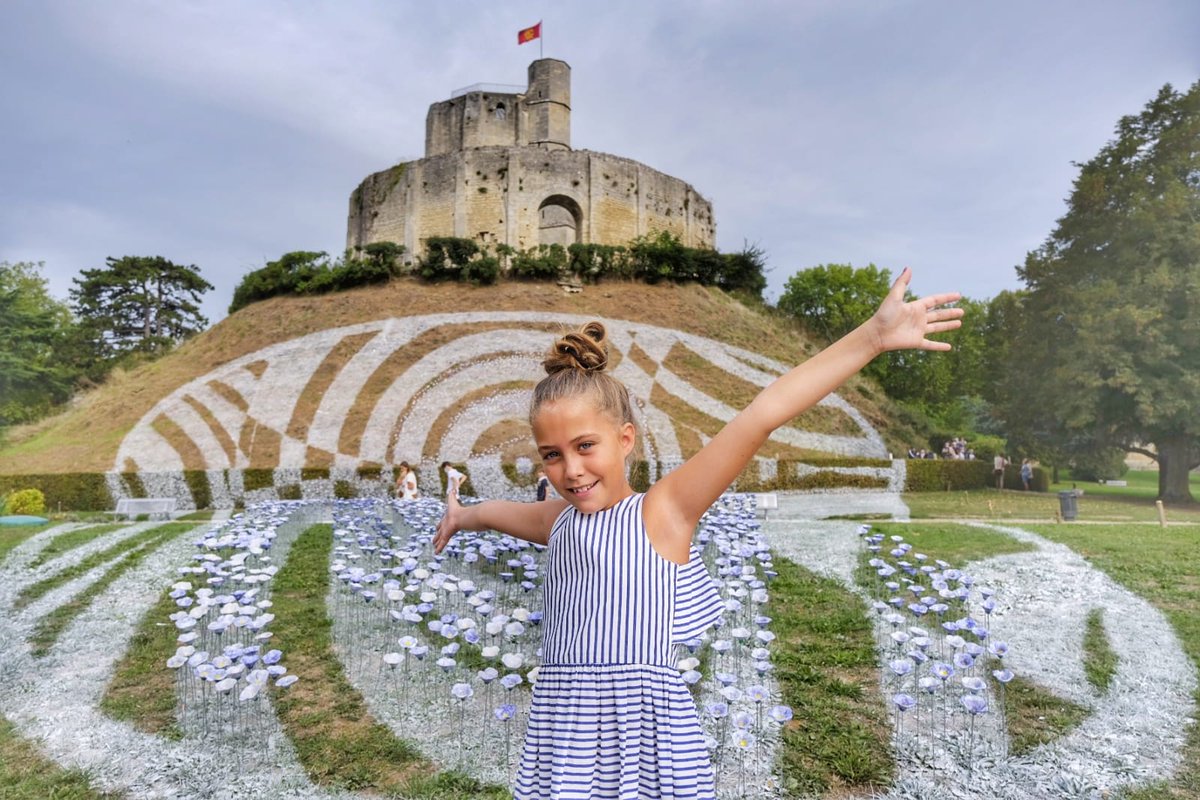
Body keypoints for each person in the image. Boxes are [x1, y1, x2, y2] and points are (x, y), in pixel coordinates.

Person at [433, 268, 961, 800]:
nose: (570, 469)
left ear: (625, 439)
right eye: (552, 454)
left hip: (643, 737)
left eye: (585, 446)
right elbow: (498, 513)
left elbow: (761, 416)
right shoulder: (562, 521)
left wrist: (871, 337)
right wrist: (461, 514)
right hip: (565, 729)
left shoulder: (665, 510)